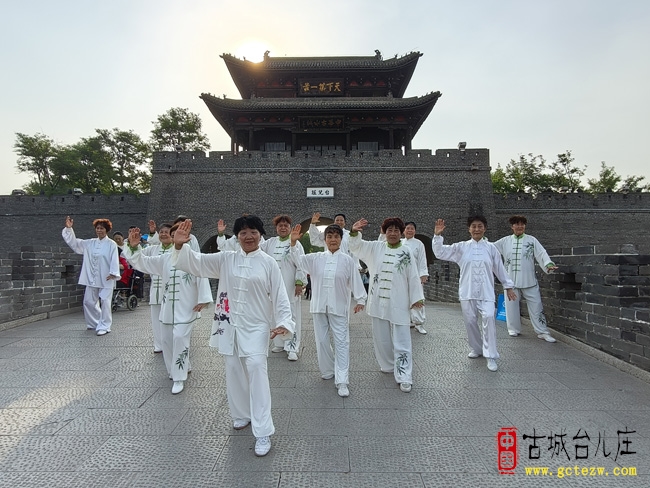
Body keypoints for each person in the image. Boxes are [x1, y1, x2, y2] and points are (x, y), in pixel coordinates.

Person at [170, 216, 294, 457]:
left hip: (257, 325)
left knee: (257, 368)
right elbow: (195, 263)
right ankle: (241, 414)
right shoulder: (226, 258)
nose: (248, 236)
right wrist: (179, 245)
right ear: (237, 236)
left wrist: (283, 322)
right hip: (228, 324)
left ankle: (263, 430)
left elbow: (280, 296)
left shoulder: (268, 263)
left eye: (253, 232)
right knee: (233, 368)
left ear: (261, 234)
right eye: (243, 232)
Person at [124, 224, 212, 395]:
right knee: (166, 340)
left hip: (186, 307)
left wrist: (203, 300)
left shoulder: (194, 257)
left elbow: (202, 276)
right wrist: (134, 248)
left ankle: (179, 377)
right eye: (174, 234)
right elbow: (143, 263)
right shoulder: (163, 259)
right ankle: (177, 368)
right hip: (167, 308)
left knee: (179, 337)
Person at [289, 224, 367, 397]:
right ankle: (327, 370)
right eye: (329, 236)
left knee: (341, 342)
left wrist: (360, 299)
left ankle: (342, 380)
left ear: (340, 239)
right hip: (318, 306)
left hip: (338, 307)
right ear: (324, 240)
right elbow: (298, 261)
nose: (333, 239)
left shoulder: (347, 260)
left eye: (336, 236)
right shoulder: (316, 258)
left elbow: (355, 280)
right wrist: (293, 243)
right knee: (322, 341)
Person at [432, 216, 517, 372]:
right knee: (470, 321)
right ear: (469, 229)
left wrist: (508, 286)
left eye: (480, 226)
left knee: (489, 317)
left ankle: (490, 354)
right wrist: (437, 236)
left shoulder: (491, 248)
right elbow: (440, 253)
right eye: (473, 226)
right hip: (467, 290)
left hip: (486, 292)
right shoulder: (461, 247)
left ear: (484, 228)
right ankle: (477, 349)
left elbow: (499, 268)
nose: (477, 229)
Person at [349, 217, 424, 393]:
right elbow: (356, 247)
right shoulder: (376, 248)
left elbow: (413, 276)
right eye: (389, 230)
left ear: (401, 232)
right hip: (378, 301)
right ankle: (388, 365)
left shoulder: (406, 252)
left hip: (399, 300)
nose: (392, 233)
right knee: (381, 337)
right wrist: (354, 232)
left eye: (396, 230)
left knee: (402, 339)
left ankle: (404, 374)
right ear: (384, 232)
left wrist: (416, 298)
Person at [493, 215, 558, 342]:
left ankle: (542, 331)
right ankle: (513, 329)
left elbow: (541, 253)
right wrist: (482, 241)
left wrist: (548, 264)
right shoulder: (505, 241)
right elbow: (490, 249)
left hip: (529, 280)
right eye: (517, 224)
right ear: (512, 226)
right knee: (511, 306)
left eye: (522, 224)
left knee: (537, 306)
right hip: (510, 282)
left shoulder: (532, 240)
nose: (520, 226)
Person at [61, 216, 120, 336]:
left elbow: (114, 258)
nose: (99, 230)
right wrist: (69, 229)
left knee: (105, 301)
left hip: (107, 277)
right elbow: (75, 243)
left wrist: (114, 272)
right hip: (91, 277)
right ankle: (94, 323)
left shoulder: (111, 244)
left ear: (106, 230)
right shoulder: (90, 243)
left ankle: (105, 325)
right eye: (97, 228)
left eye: (102, 228)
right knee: (88, 301)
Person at [260, 215, 307, 361]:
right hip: (272, 286)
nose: (283, 228)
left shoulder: (296, 243)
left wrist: (299, 282)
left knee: (291, 315)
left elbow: (301, 264)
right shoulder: (269, 243)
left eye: (286, 225)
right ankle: (279, 343)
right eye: (280, 225)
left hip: (289, 285)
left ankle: (292, 347)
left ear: (290, 227)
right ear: (276, 228)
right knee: (274, 313)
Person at [379, 221, 429, 334]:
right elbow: (381, 246)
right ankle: (408, 320)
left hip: (414, 276)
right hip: (400, 276)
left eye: (412, 228)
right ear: (403, 231)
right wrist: (382, 233)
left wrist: (423, 274)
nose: (409, 230)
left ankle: (419, 323)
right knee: (402, 298)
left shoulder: (419, 243)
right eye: (407, 228)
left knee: (417, 298)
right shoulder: (399, 242)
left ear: (415, 231)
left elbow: (422, 259)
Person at [141, 222, 175, 353]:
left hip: (172, 290)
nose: (164, 234)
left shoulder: (177, 249)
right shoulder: (153, 249)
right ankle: (158, 344)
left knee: (171, 318)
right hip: (156, 289)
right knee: (156, 318)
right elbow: (138, 256)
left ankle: (171, 343)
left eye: (167, 232)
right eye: (161, 232)